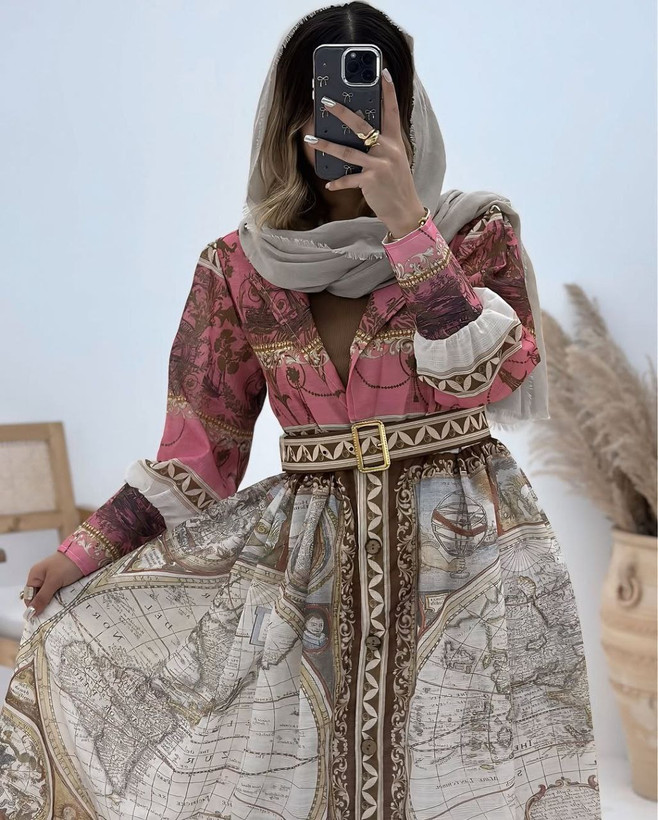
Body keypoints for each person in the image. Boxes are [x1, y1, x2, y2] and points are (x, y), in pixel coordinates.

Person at [0, 3, 602, 818]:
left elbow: (495, 377)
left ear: (405, 109)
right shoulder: (237, 268)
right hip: (307, 573)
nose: (340, 124)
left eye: (368, 101)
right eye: (319, 101)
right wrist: (85, 551)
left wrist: (409, 227)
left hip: (473, 562)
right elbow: (197, 457)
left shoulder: (471, 233)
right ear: (289, 114)